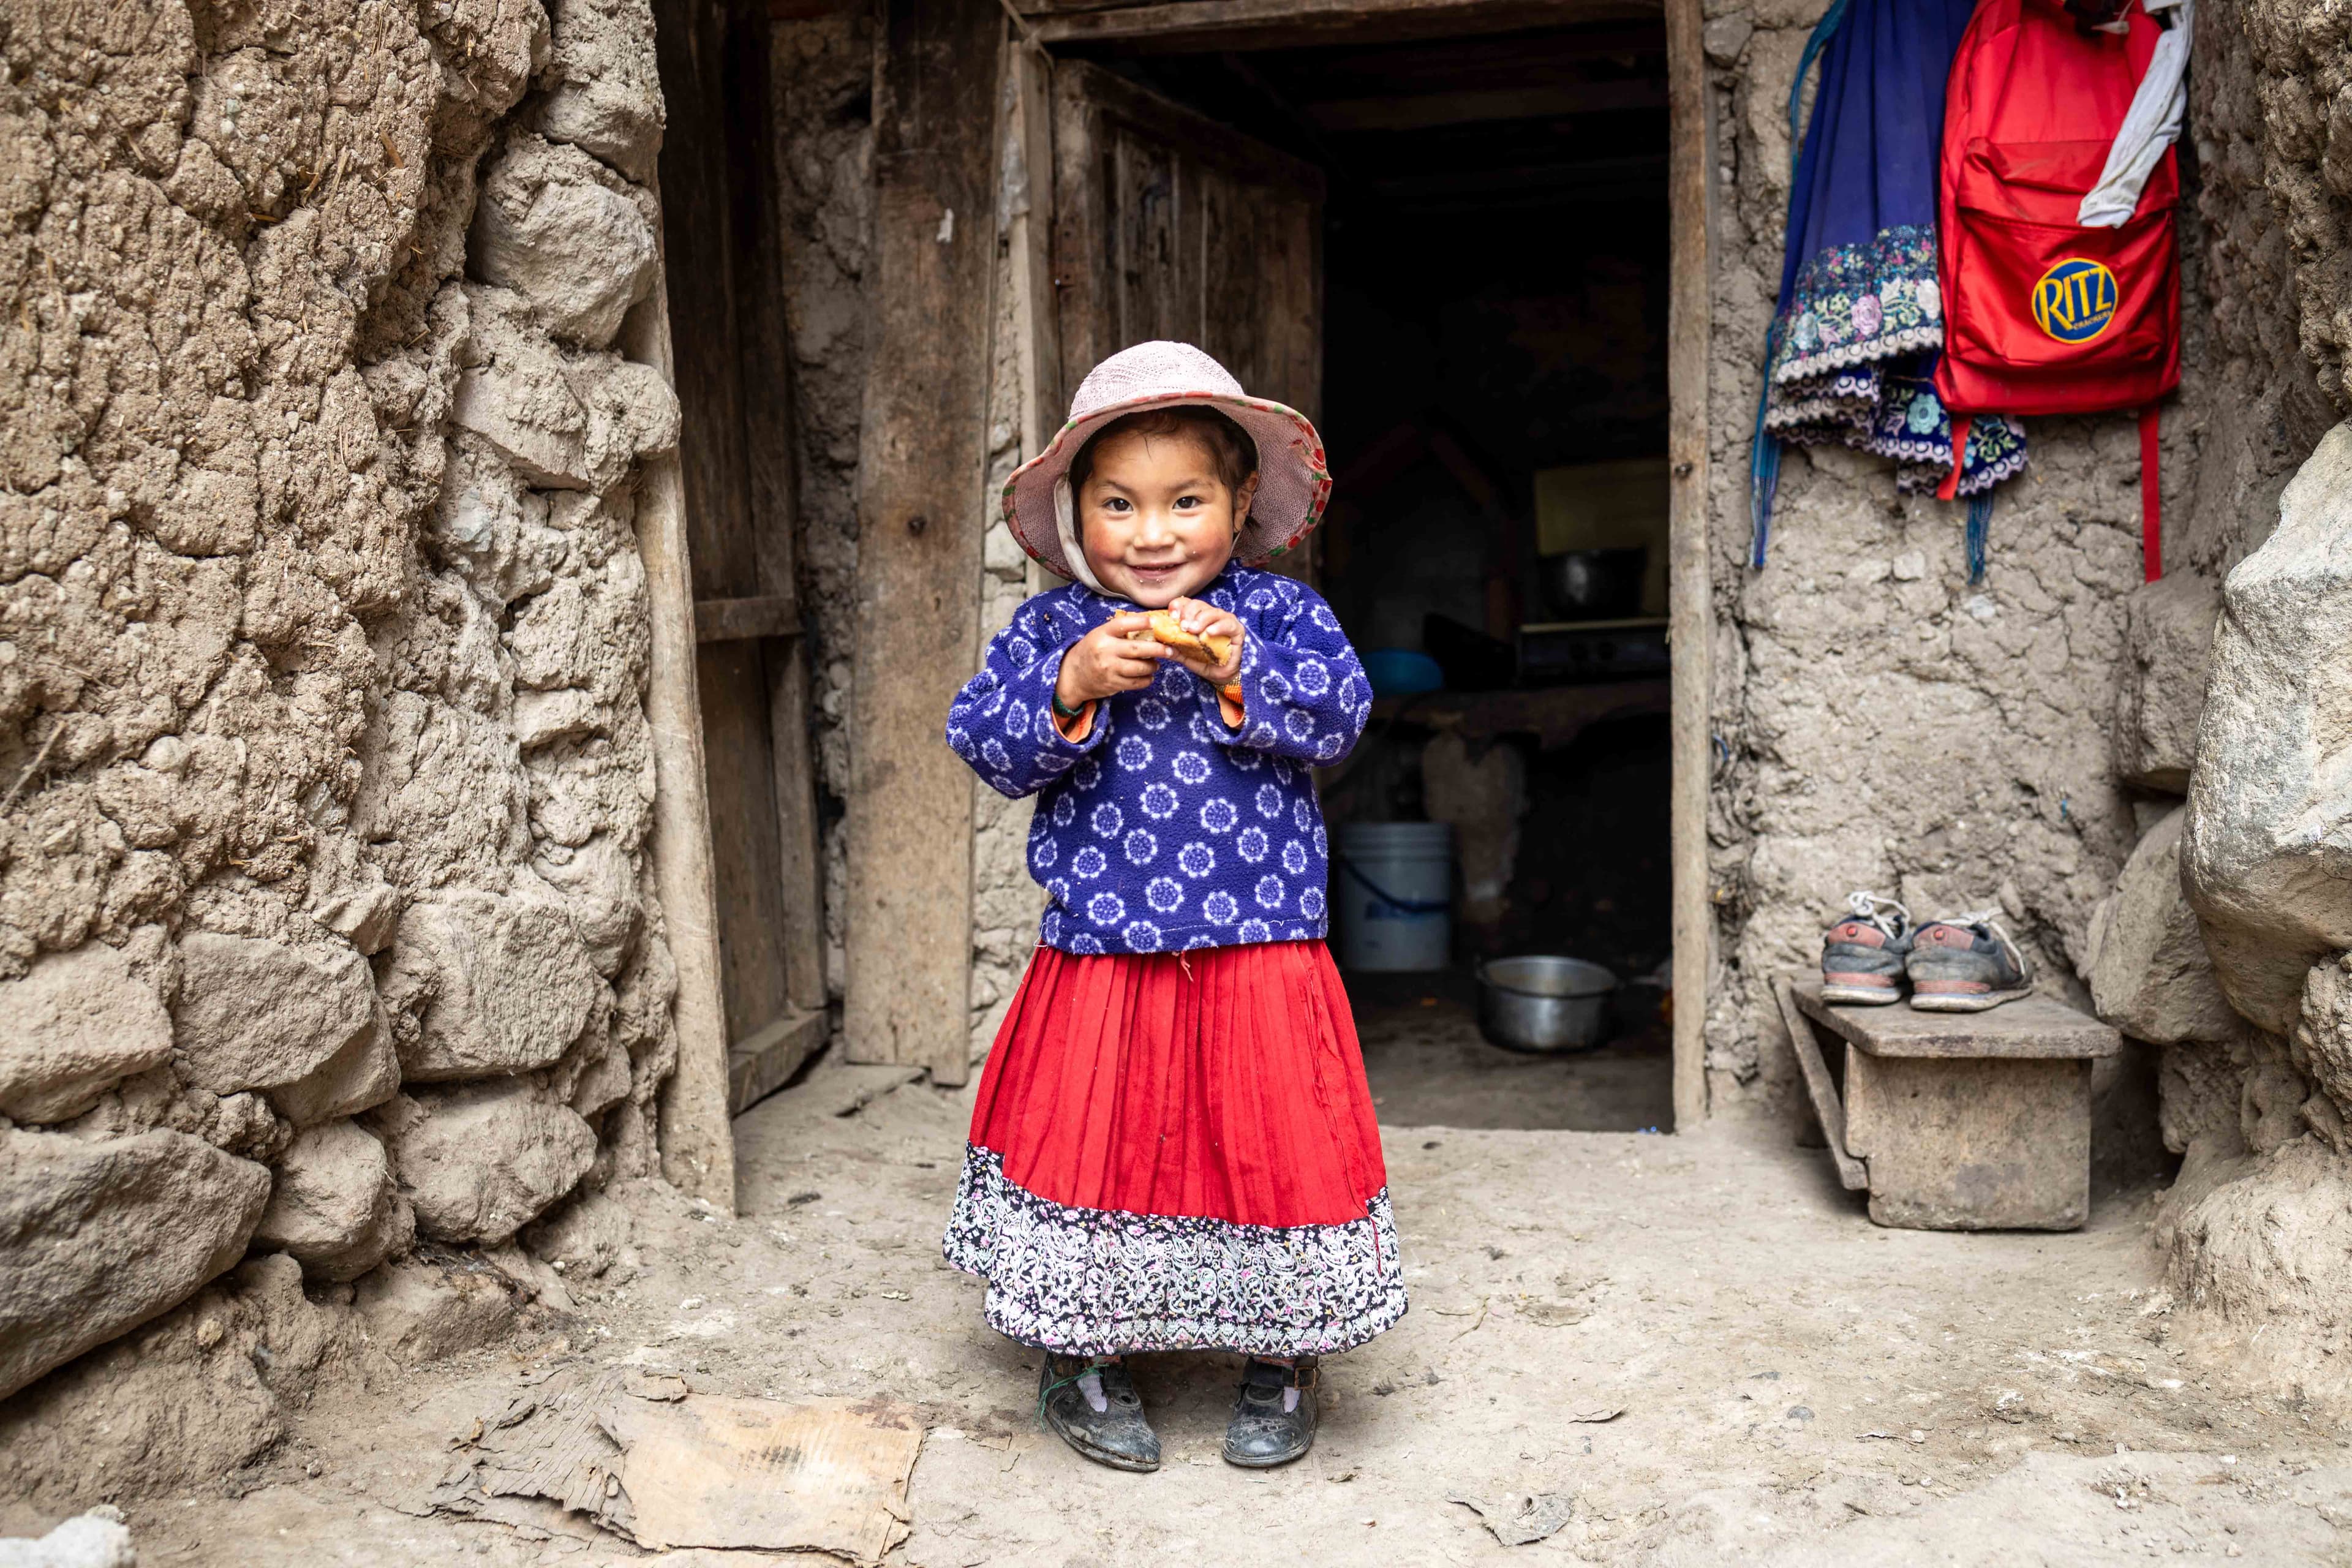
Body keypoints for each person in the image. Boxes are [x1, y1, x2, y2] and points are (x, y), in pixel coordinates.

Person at [942, 341, 1404, 1472]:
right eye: (1119, 505)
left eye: (1185, 501)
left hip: (1260, 948)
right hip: (1104, 950)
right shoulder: (1054, 631)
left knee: (1268, 1144)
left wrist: (1243, 673)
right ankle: (1082, 1351)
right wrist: (1069, 688)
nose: (1152, 535)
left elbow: (1341, 718)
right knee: (1098, 1150)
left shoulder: (1280, 618)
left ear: (1241, 505)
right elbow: (984, 744)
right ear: (1077, 514)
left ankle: (1284, 1355)